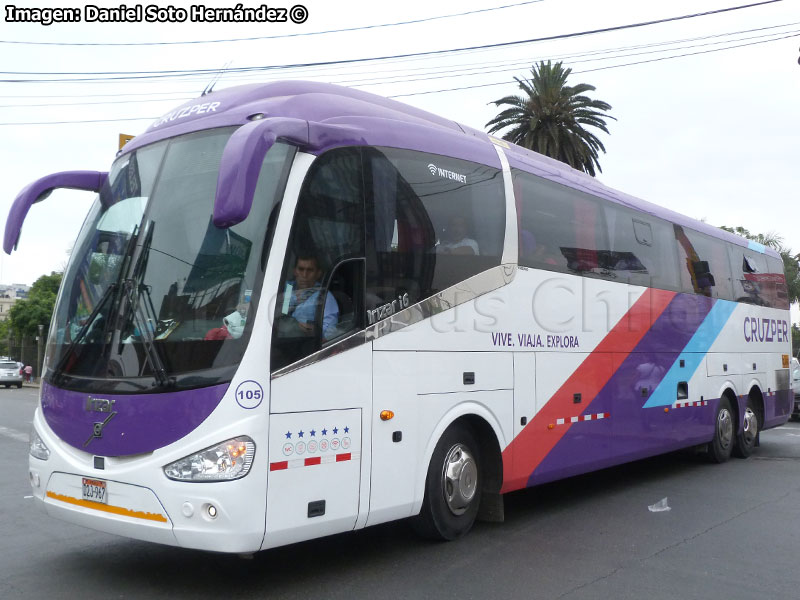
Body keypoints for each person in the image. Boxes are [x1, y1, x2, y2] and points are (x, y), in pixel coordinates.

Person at [280, 254, 339, 337]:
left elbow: (330, 332)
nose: (304, 275)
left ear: (318, 273)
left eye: (310, 270)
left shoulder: (324, 296)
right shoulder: (287, 288)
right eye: (301, 269)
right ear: (295, 271)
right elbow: (282, 312)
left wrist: (311, 329)